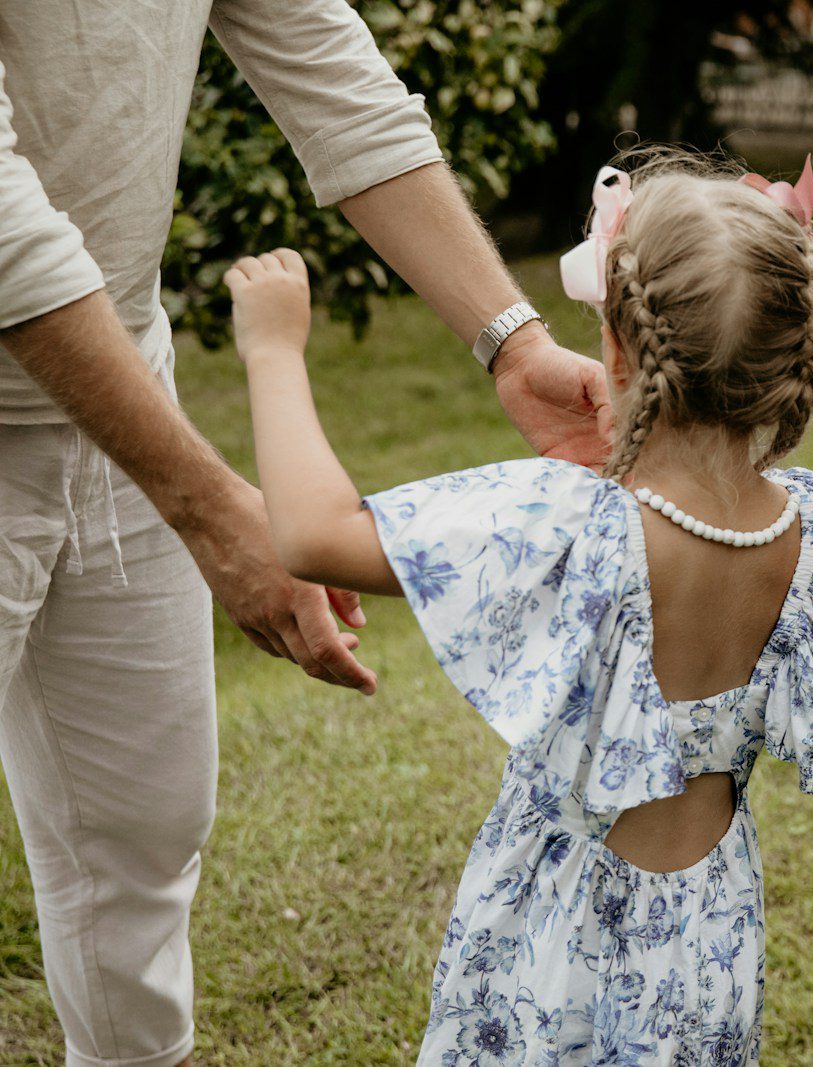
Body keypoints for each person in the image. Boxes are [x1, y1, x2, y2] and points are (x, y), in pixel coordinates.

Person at [0, 4, 607, 1065]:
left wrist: (510, 341)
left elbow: (338, 82)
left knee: (141, 830)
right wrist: (202, 502)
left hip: (119, 379)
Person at [228, 152, 813, 1063]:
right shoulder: (809, 531)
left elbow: (315, 534)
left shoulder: (569, 528)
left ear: (620, 352)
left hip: (550, 939)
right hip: (709, 939)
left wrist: (272, 351)